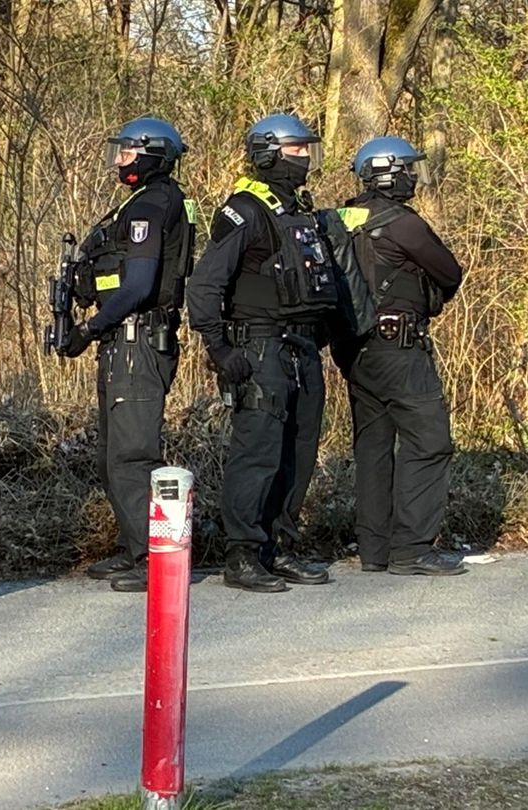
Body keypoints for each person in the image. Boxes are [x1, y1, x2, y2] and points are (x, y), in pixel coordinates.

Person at [186, 113, 337, 593]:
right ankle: (243, 553)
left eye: (305, 150)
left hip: (302, 347)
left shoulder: (300, 210)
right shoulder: (245, 210)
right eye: (296, 150)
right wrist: (220, 348)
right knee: (257, 454)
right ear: (270, 152)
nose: (304, 159)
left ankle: (281, 545)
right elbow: (205, 287)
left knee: (300, 451)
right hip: (260, 347)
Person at [58, 117, 195, 593]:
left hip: (137, 342)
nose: (118, 159)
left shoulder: (154, 204)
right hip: (126, 344)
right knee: (113, 456)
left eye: (127, 151)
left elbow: (138, 286)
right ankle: (132, 542)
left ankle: (151, 556)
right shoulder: (143, 202)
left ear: (151, 154)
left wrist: (88, 329)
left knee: (133, 455)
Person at [336, 136, 466, 576]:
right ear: (388, 171)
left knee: (373, 447)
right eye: (408, 169)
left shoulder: (342, 218)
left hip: (356, 351)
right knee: (428, 442)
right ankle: (412, 547)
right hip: (401, 348)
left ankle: (375, 549)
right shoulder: (403, 223)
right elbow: (450, 272)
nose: (414, 176)